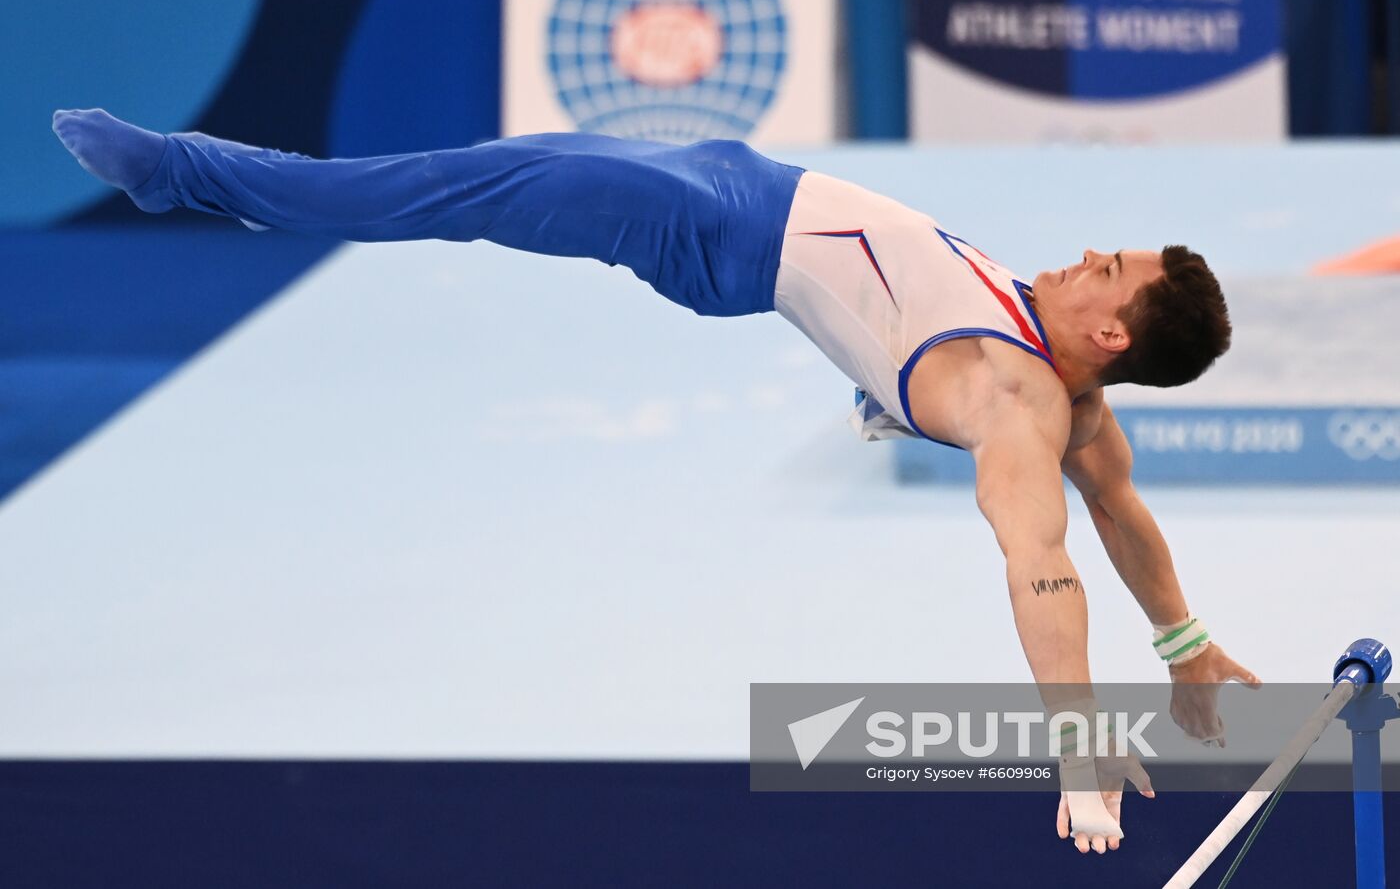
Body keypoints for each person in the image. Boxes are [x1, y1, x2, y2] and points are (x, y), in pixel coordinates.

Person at [52, 108, 1260, 855]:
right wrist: (1187, 641)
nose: (1082, 254)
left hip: (708, 228)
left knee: (455, 184)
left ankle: (189, 172)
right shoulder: (1086, 406)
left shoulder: (1017, 398)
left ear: (1108, 333)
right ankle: (881, 399)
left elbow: (1039, 559)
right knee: (481, 167)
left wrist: (1076, 747)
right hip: (739, 175)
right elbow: (1121, 512)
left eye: (1102, 268)